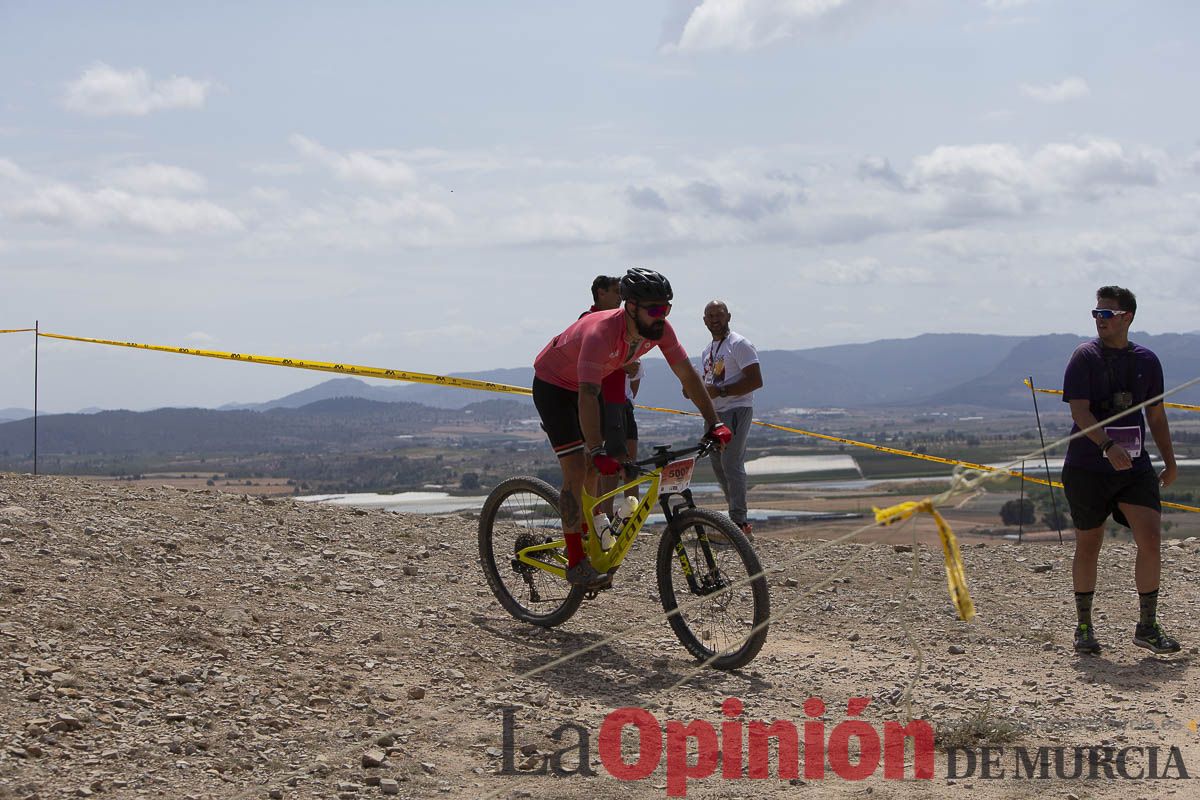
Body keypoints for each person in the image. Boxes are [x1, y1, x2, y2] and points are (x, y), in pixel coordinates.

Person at [533, 268, 731, 588]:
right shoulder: (601, 334)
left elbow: (688, 376)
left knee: (595, 470)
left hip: (588, 386)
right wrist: (596, 449)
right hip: (555, 386)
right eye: (654, 310)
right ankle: (575, 560)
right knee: (576, 469)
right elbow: (587, 395)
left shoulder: (660, 330)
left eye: (665, 309)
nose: (660, 317)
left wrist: (714, 422)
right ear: (631, 307)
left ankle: (590, 533)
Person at [1061, 285, 1180, 655]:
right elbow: (1080, 411)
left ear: (1126, 317)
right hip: (1087, 466)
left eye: (1106, 314)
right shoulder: (1084, 357)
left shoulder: (1147, 361)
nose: (1100, 320)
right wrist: (1107, 446)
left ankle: (1147, 626)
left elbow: (1156, 415)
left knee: (1150, 539)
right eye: (1096, 314)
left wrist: (1170, 460)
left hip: (1134, 466)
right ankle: (1084, 627)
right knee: (1089, 543)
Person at [699, 300, 763, 540]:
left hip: (736, 409)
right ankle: (737, 523)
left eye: (719, 314)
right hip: (714, 413)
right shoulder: (709, 350)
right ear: (704, 321)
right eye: (710, 315)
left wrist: (723, 391)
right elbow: (710, 381)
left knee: (732, 464)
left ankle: (738, 521)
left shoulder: (739, 344)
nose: (715, 319)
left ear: (728, 316)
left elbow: (755, 380)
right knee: (719, 465)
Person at [582, 276, 643, 518]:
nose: (621, 297)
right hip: (599, 400)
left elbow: (633, 366)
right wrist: (623, 364)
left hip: (620, 400)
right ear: (600, 292)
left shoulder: (621, 324)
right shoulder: (588, 320)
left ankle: (628, 517)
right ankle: (600, 518)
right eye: (617, 291)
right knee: (600, 464)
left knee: (626, 461)